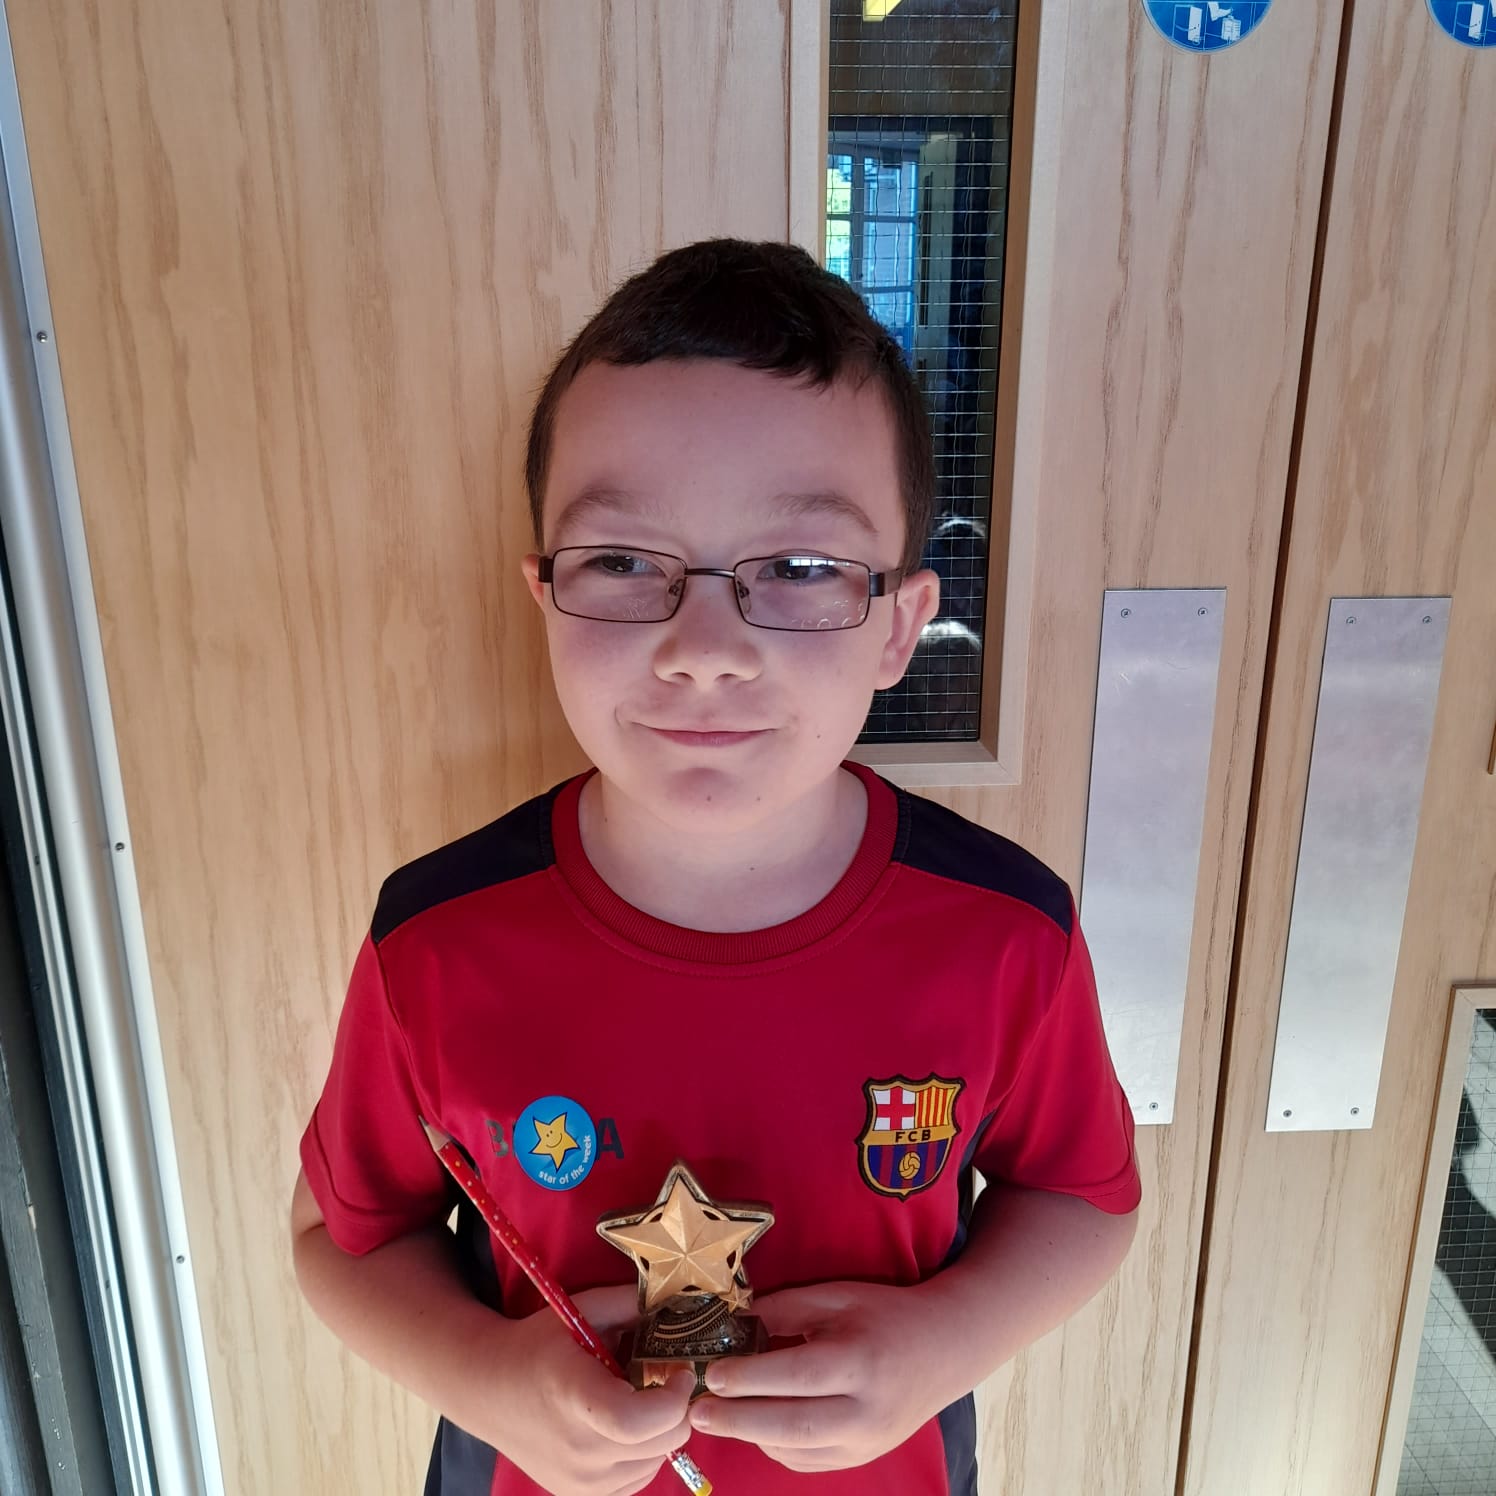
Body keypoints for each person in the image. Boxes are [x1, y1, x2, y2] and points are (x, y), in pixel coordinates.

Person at [291, 238, 1142, 1496]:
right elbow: (341, 1234)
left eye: (797, 569)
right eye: (622, 561)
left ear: (900, 624)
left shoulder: (1006, 932)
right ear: (544, 595)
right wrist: (487, 1374)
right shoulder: (435, 940)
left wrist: (943, 1341)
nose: (704, 647)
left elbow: (1081, 1195)